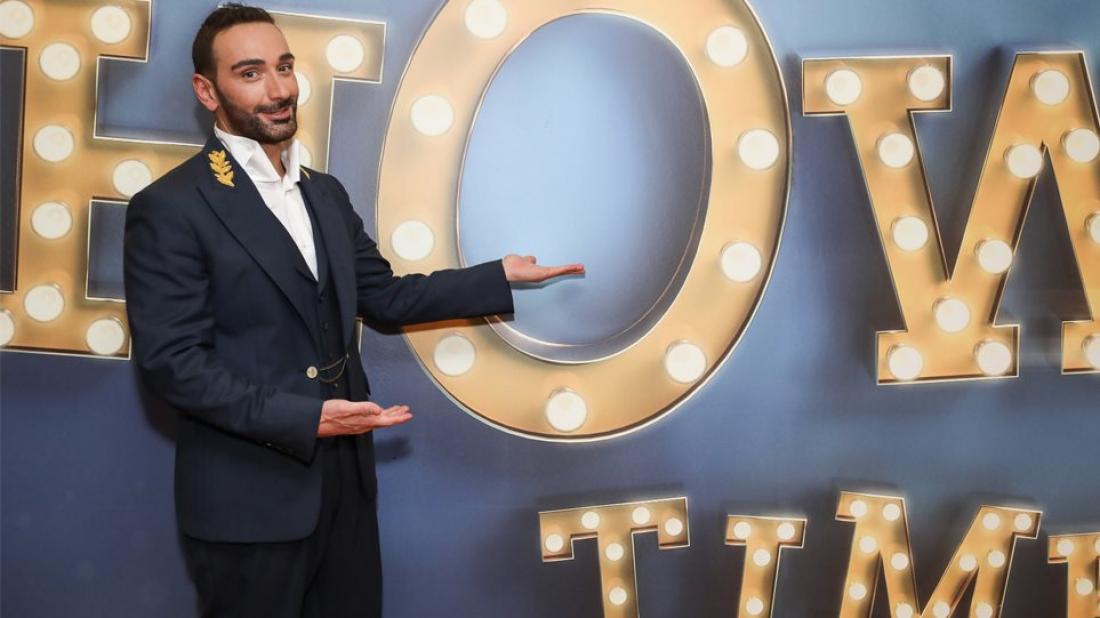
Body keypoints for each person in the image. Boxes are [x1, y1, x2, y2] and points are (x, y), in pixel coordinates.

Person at [122, 4, 584, 616]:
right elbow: (173, 365)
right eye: (251, 73)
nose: (279, 89)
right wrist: (306, 418)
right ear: (207, 91)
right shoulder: (171, 206)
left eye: (284, 67)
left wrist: (495, 276)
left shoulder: (325, 193)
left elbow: (386, 296)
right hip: (249, 507)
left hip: (345, 492)